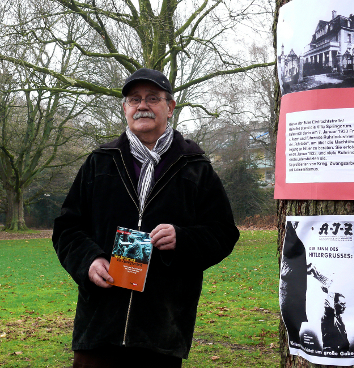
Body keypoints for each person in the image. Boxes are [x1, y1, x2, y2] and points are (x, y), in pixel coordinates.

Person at [52, 68, 239, 368]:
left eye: (153, 98)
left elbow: (223, 233)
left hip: (162, 329)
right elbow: (67, 228)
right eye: (134, 99)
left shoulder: (195, 167)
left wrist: (183, 238)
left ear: (170, 107)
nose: (142, 105)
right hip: (100, 325)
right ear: (125, 108)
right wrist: (89, 261)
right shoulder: (99, 162)